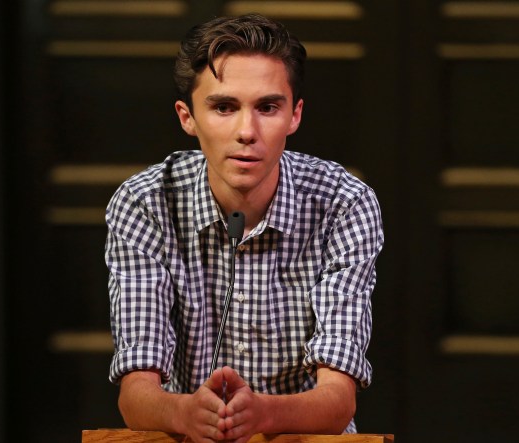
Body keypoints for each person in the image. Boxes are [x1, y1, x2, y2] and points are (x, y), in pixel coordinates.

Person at [104, 13, 383, 443]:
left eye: (267, 107)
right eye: (223, 107)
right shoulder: (145, 204)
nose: (246, 132)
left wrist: (265, 414)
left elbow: (338, 400)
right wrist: (184, 411)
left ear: (295, 115)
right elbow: (135, 395)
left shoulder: (344, 204)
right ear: (187, 117)